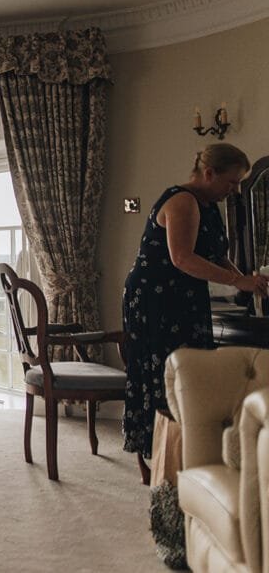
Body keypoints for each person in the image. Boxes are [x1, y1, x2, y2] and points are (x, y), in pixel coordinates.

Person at [121, 143, 268, 567]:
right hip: (155, 300)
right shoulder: (182, 200)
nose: (233, 190)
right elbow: (182, 258)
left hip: (185, 299)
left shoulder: (210, 204)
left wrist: (244, 278)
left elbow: (214, 254)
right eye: (230, 181)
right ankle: (158, 474)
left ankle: (178, 464)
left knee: (191, 379)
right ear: (208, 172)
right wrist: (236, 284)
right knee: (164, 382)